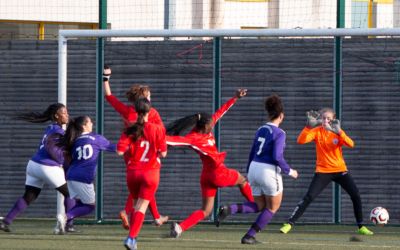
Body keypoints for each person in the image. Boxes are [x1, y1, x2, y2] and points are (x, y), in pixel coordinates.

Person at [166, 89, 254, 238]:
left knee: (206, 211)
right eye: (211, 124)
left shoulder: (205, 126)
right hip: (218, 173)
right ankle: (256, 204)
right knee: (242, 180)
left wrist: (235, 98)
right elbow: (174, 140)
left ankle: (179, 228)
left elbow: (220, 112)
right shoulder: (194, 138)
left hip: (207, 176)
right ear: (204, 126)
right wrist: (153, 137)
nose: (213, 125)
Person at [216, 94, 298, 244]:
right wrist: (290, 171)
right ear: (281, 116)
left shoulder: (261, 129)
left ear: (268, 113)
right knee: (272, 207)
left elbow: (252, 152)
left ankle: (230, 209)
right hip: (268, 171)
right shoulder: (280, 133)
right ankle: (249, 236)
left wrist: (248, 171)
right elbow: (277, 156)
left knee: (259, 205)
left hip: (254, 167)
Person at [279, 108, 373, 235]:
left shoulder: (337, 132)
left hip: (340, 170)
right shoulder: (317, 131)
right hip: (323, 171)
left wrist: (340, 132)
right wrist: (307, 127)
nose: (325, 120)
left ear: (333, 119)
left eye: (328, 118)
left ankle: (361, 226)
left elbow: (351, 144)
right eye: (323, 118)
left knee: (355, 195)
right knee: (309, 196)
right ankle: (289, 224)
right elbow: (300, 141)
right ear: (320, 120)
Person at [103, 66, 168, 230]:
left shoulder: (127, 111)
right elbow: (161, 132)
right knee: (145, 187)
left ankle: (157, 217)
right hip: (149, 154)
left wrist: (105, 79)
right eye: (149, 95)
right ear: (145, 99)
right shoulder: (152, 113)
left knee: (141, 187)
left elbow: (109, 97)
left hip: (130, 154)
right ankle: (128, 213)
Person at [0, 103, 74, 234]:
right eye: (64, 112)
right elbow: (51, 146)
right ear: (56, 116)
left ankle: (6, 221)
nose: (67, 115)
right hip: (47, 167)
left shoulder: (50, 127)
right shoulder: (58, 131)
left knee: (29, 196)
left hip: (33, 165)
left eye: (67, 112)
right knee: (71, 193)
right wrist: (62, 160)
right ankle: (68, 225)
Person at [116, 98, 167, 250]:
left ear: (136, 111)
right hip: (151, 172)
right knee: (141, 207)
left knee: (136, 204)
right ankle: (131, 238)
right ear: (149, 111)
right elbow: (163, 153)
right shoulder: (157, 128)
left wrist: (131, 147)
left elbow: (119, 151)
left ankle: (134, 239)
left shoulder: (130, 129)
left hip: (133, 173)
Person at [57, 115, 116, 232]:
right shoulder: (96, 138)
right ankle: (64, 217)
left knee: (79, 203)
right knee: (90, 206)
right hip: (83, 177)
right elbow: (114, 147)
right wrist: (131, 145)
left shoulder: (75, 140)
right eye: (90, 122)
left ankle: (63, 225)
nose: (92, 124)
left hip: (71, 175)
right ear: (84, 125)